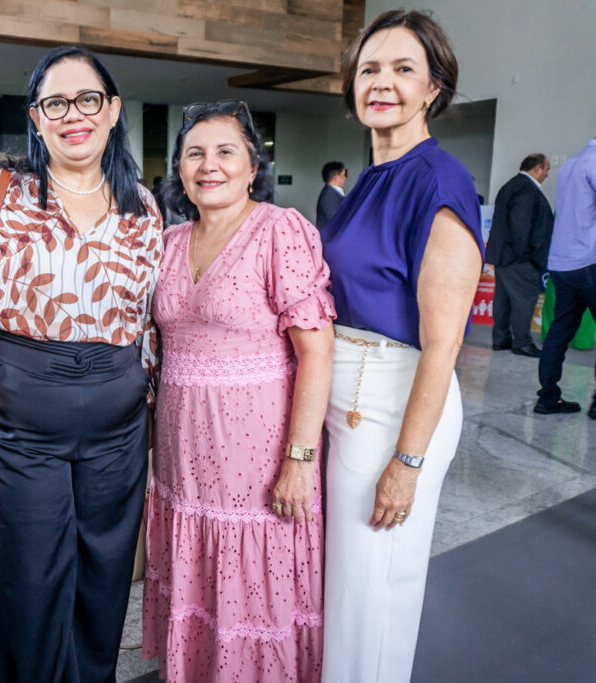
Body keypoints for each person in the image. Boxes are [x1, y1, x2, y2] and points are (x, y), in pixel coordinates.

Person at [0, 45, 162, 683]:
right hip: (19, 426)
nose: (73, 115)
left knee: (105, 580)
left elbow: (151, 323)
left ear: (113, 110)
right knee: (30, 583)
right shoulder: (0, 193)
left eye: (87, 99)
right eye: (54, 103)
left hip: (118, 427)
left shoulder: (143, 208)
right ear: (36, 118)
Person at [142, 100, 335, 682]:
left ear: (254, 166)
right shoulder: (170, 240)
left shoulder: (280, 231)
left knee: (253, 600)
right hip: (183, 463)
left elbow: (317, 352)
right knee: (198, 598)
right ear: (179, 168)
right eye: (194, 154)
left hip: (256, 463)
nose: (209, 165)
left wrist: (299, 461)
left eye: (226, 152)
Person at [318, 11, 483, 682]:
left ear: (434, 88)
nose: (381, 82)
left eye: (402, 68)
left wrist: (406, 461)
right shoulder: (371, 176)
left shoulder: (439, 181)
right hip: (352, 400)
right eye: (369, 69)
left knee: (375, 594)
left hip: (395, 405)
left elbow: (444, 344)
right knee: (350, 591)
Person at [536, 136, 596, 417]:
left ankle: (548, 397)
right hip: (589, 261)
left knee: (558, 333)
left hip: (563, 264)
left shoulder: (572, 164)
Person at [486, 153, 553, 357]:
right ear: (537, 169)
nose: (548, 174)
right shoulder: (526, 189)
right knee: (526, 298)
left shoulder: (511, 185)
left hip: (504, 256)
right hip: (518, 258)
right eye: (547, 169)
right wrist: (525, 256)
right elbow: (520, 225)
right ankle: (522, 342)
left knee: (503, 299)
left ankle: (501, 339)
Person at [315, 161, 347, 228]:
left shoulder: (334, 192)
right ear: (336, 178)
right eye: (344, 175)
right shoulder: (328, 196)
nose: (345, 178)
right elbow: (336, 221)